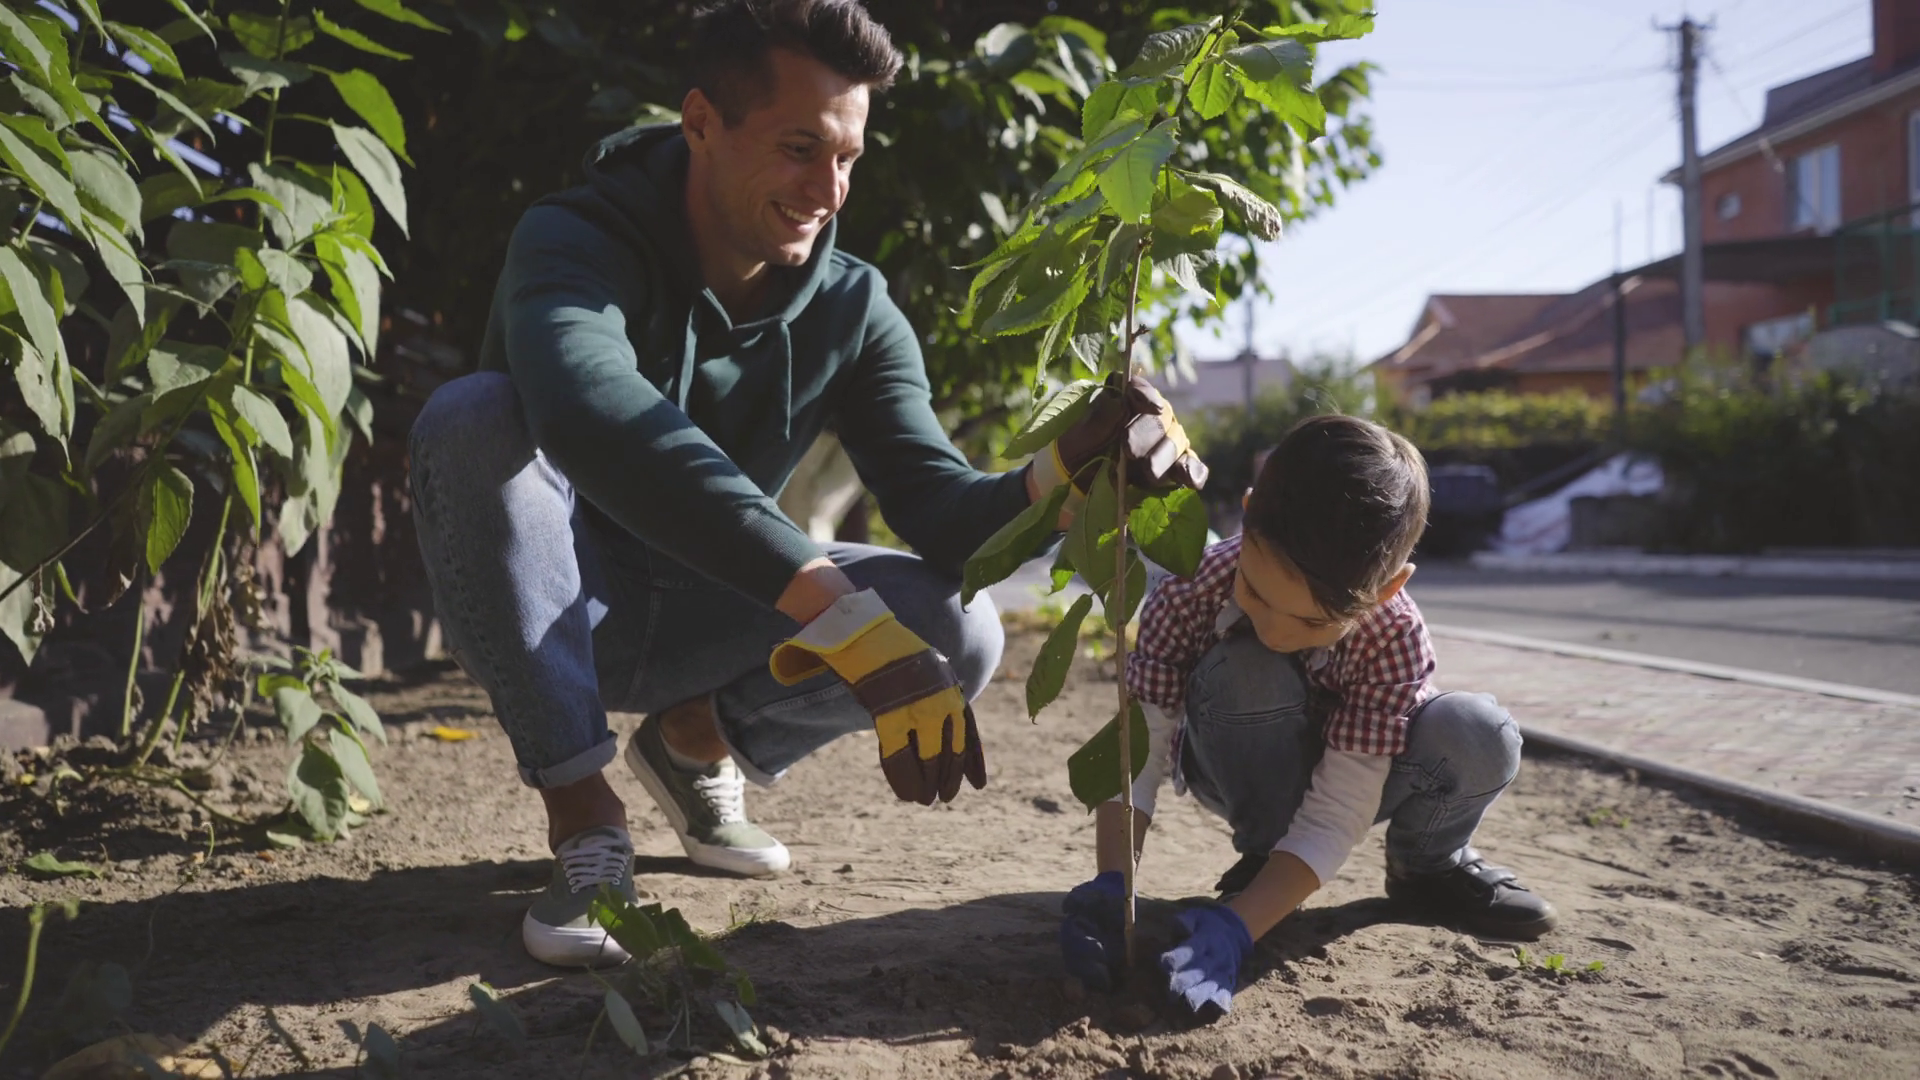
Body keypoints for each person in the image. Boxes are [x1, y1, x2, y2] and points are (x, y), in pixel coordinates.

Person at [407, 0, 1204, 968]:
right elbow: (591, 410)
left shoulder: (853, 307)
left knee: (959, 629)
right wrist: (840, 615)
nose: (828, 190)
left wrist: (1068, 468)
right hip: (557, 610)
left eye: (848, 158)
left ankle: (692, 745)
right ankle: (585, 820)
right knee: (472, 416)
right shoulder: (574, 240)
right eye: (799, 149)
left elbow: (942, 514)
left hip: (716, 610)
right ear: (701, 122)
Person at [1057, 414, 1556, 1019]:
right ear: (1246, 516)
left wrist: (1240, 928)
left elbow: (1338, 810)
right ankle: (1266, 855)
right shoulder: (1190, 590)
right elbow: (1138, 746)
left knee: (1481, 733)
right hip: (1233, 755)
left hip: (1360, 777)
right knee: (1250, 665)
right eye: (1256, 593)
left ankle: (1427, 868)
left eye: (1313, 622)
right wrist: (1114, 884)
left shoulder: (1394, 635)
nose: (1275, 630)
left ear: (1388, 587)